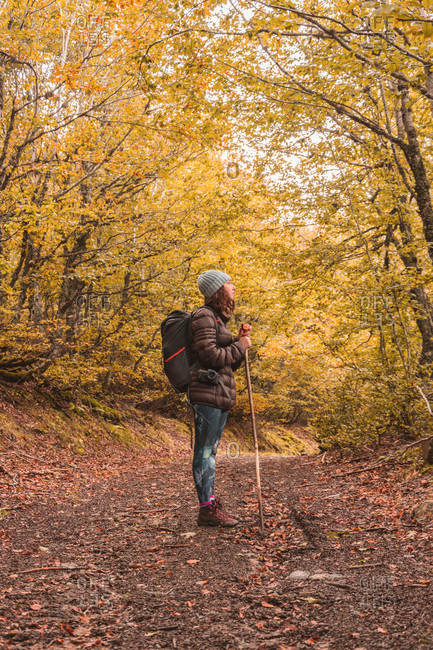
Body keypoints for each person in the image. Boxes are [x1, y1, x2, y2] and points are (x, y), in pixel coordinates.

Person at [189, 270, 251, 527]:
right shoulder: (204, 317)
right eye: (228, 283)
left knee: (210, 451)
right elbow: (211, 357)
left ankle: (210, 504)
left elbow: (225, 366)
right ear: (217, 289)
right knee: (205, 452)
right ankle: (206, 509)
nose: (233, 287)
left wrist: (237, 343)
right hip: (207, 396)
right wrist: (240, 347)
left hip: (219, 395)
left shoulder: (218, 320)